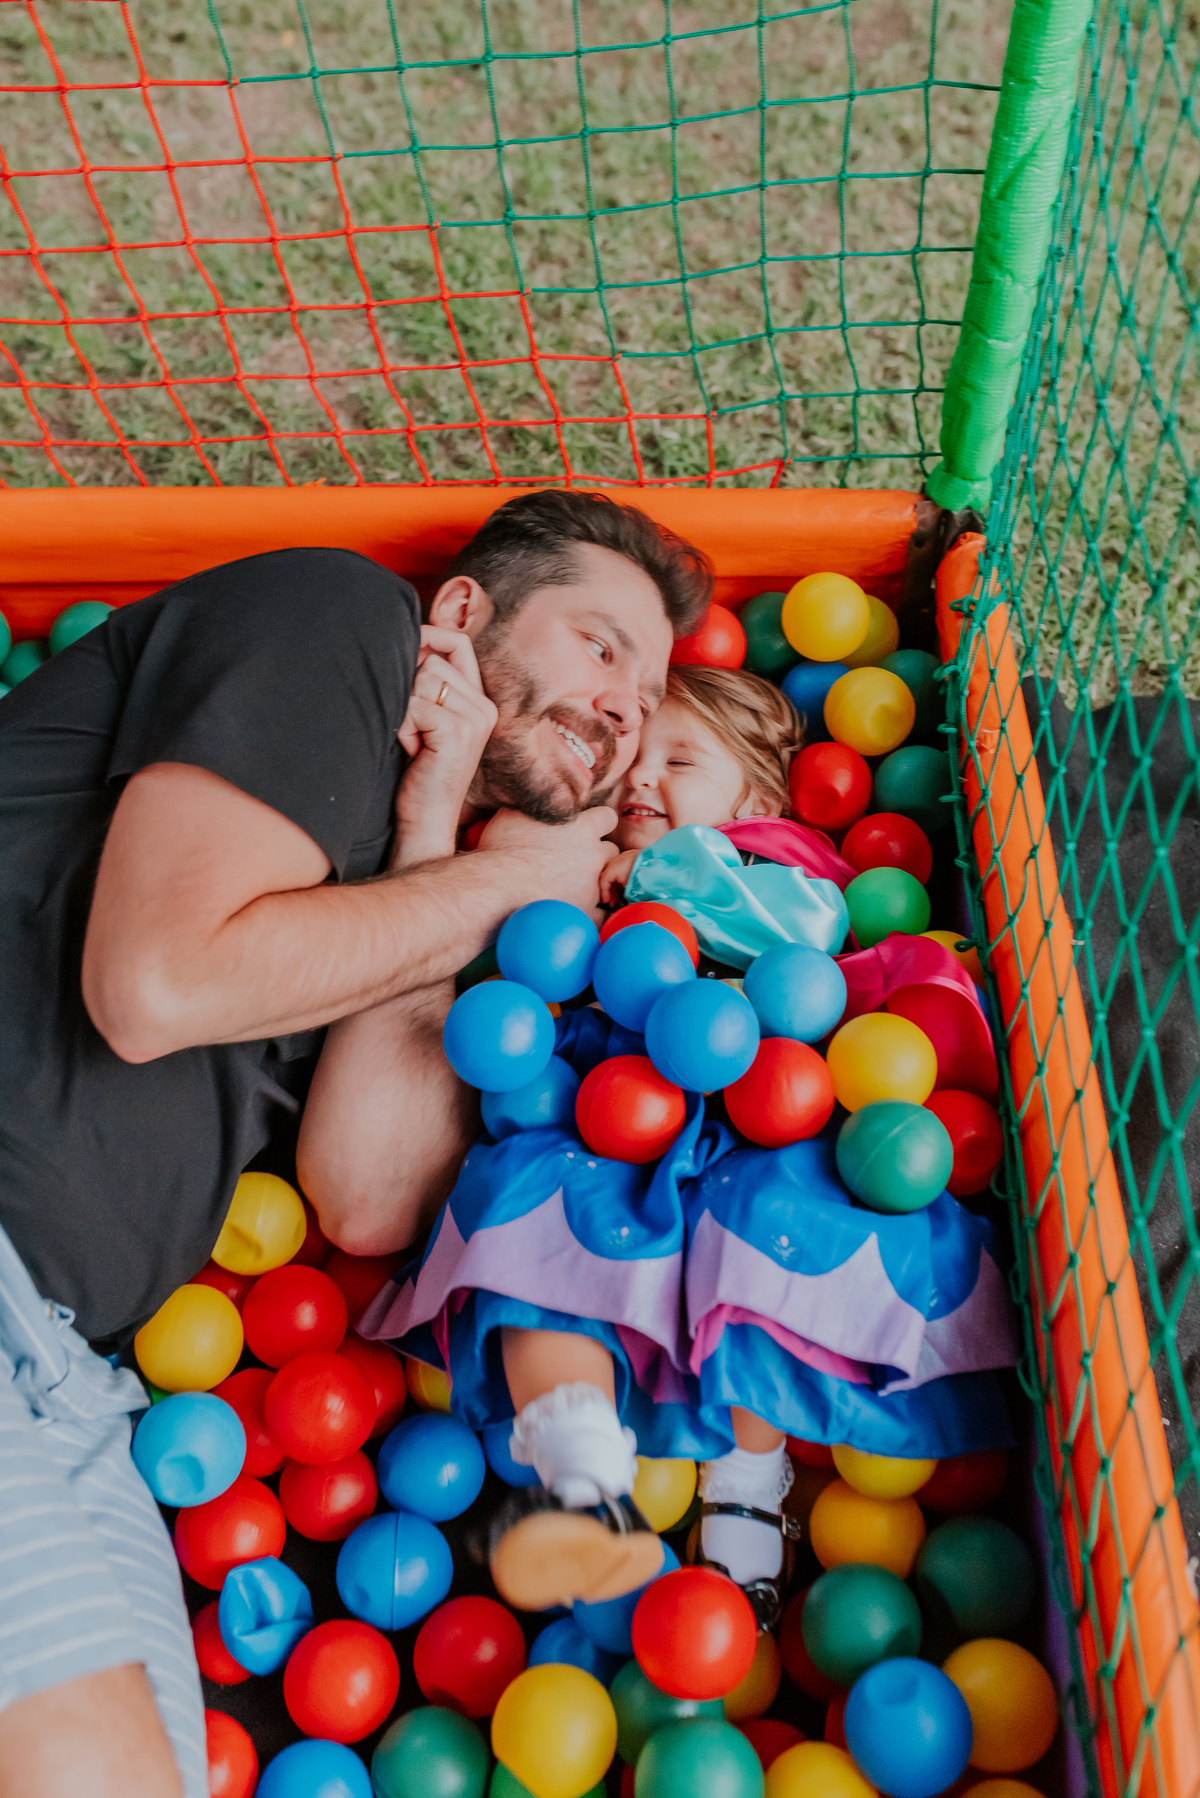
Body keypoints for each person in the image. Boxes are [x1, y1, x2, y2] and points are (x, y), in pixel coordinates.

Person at [0, 489, 710, 1798]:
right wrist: (506, 884)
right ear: (461, 613)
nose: (625, 707)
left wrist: (451, 837)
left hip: (72, 1379)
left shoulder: (427, 874)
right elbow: (153, 984)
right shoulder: (339, 618)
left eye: (648, 692)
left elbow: (371, 1196)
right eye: (601, 645)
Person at [365, 663, 1016, 1626]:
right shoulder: (586, 870)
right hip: (606, 1125)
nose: (641, 781)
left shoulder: (772, 864)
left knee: (768, 1259)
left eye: (680, 760)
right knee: (540, 1228)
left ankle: (748, 1497)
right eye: (632, 759)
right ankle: (582, 1488)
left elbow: (803, 926)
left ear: (754, 799)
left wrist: (664, 881)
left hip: (764, 1116)